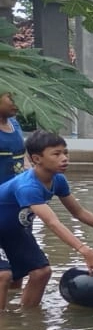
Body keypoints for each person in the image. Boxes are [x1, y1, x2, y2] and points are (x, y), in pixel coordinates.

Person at [0, 131, 93, 308]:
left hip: (14, 231)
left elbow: (79, 212)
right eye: (56, 154)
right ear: (37, 159)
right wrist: (84, 250)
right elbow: (52, 222)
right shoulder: (27, 187)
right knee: (3, 276)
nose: (64, 158)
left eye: (65, 152)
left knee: (42, 272)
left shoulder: (58, 179)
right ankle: (4, 324)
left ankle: (26, 319)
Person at [0, 91, 27, 302]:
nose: (16, 103)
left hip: (17, 204)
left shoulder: (15, 124)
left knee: (18, 268)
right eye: (11, 97)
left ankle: (14, 311)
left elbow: (23, 157)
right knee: (3, 274)